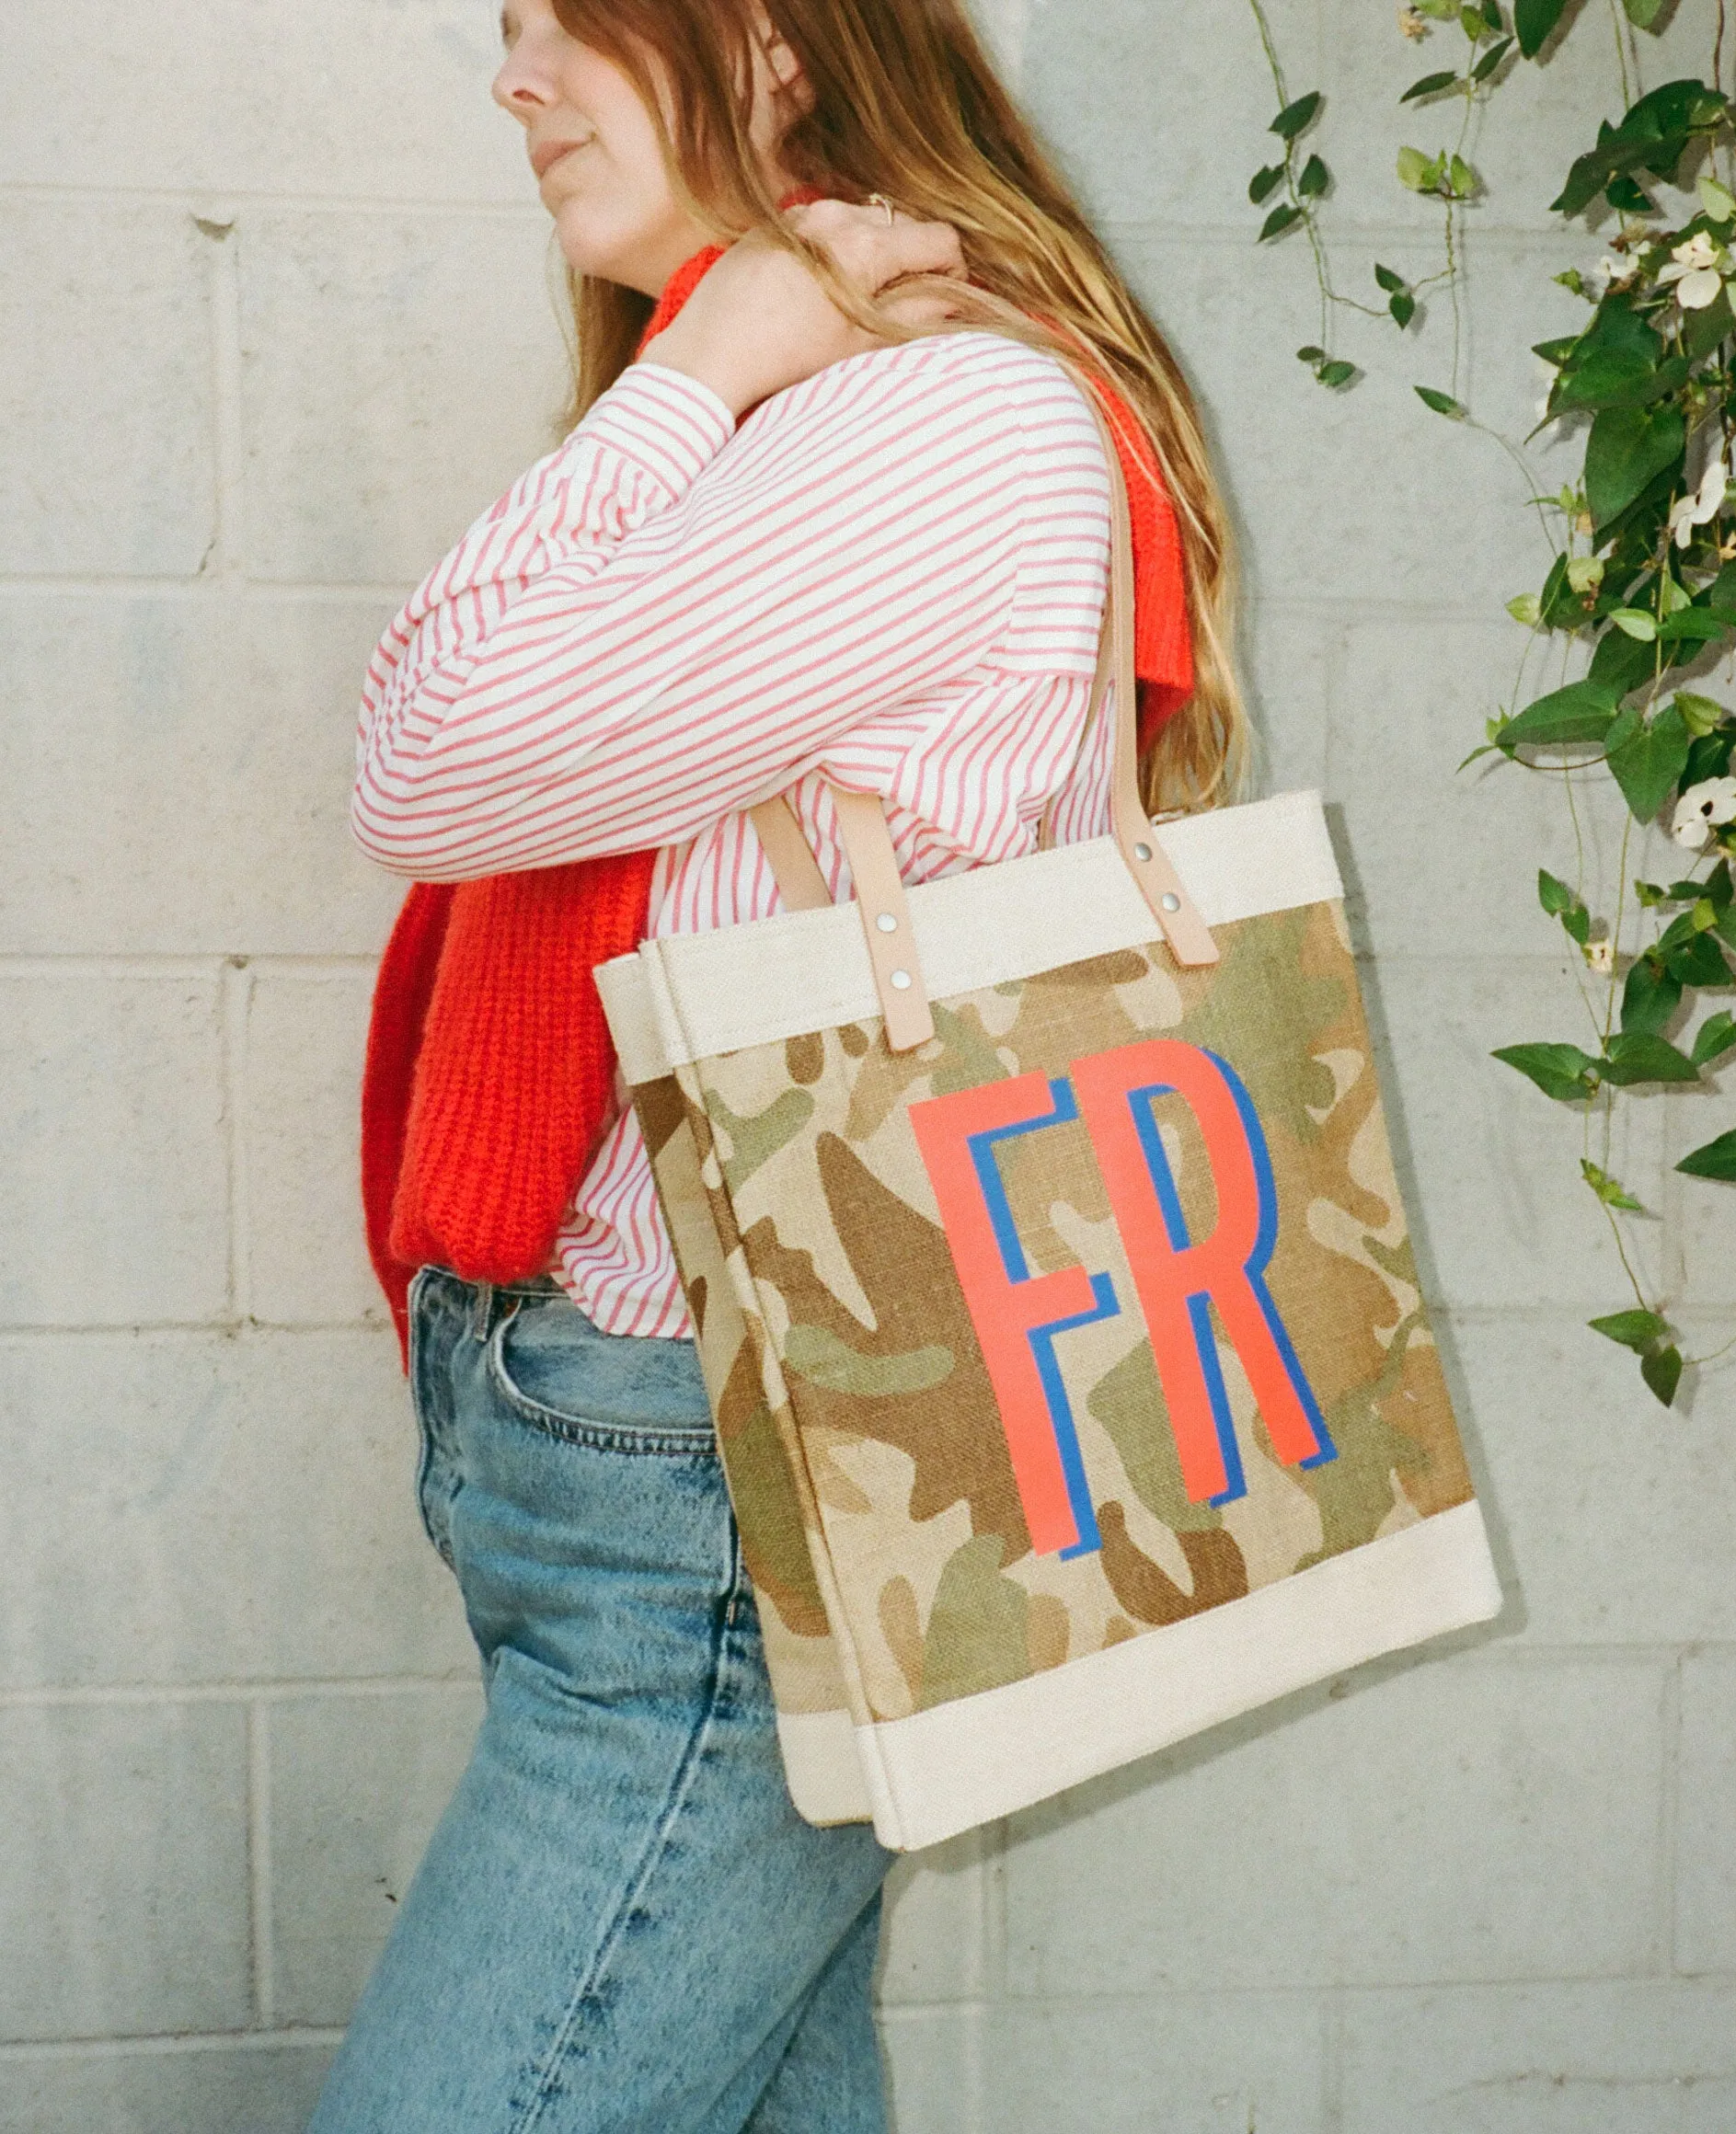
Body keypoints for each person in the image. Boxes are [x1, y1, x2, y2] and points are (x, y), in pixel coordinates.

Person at [312, 1, 1241, 2127]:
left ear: (761, 41)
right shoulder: (831, 417)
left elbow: (432, 751)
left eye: (564, 21)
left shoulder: (937, 422)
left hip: (725, 1491)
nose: (515, 76)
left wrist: (707, 361)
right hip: (659, 1474)